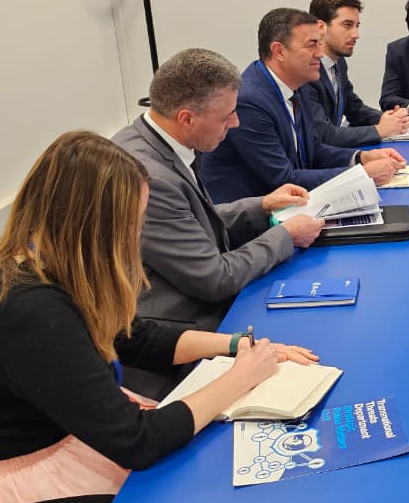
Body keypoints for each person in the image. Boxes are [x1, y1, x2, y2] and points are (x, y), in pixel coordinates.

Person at [0, 131, 365, 503]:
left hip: (60, 437)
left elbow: (131, 335)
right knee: (209, 461)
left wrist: (236, 346)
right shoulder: (31, 312)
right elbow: (136, 442)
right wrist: (239, 380)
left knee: (214, 435)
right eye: (132, 226)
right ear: (92, 227)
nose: (137, 239)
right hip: (39, 497)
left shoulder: (39, 263)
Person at [113, 48, 324, 331]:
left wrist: (262, 205)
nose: (236, 123)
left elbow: (190, 221)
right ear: (187, 118)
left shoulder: (148, 138)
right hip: (185, 324)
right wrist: (286, 235)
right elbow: (215, 278)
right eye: (227, 116)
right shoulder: (151, 179)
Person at [200, 9, 407, 201]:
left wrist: (361, 158)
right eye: (311, 45)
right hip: (250, 218)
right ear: (279, 51)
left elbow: (314, 149)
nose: (320, 53)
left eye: (319, 43)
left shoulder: (298, 85)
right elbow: (284, 179)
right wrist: (362, 174)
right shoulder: (250, 102)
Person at [306, 0, 409, 147]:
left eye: (357, 26)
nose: (356, 34)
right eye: (347, 25)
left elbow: (354, 108)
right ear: (320, 27)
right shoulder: (305, 71)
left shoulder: (339, 63)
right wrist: (380, 130)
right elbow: (323, 135)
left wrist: (389, 118)